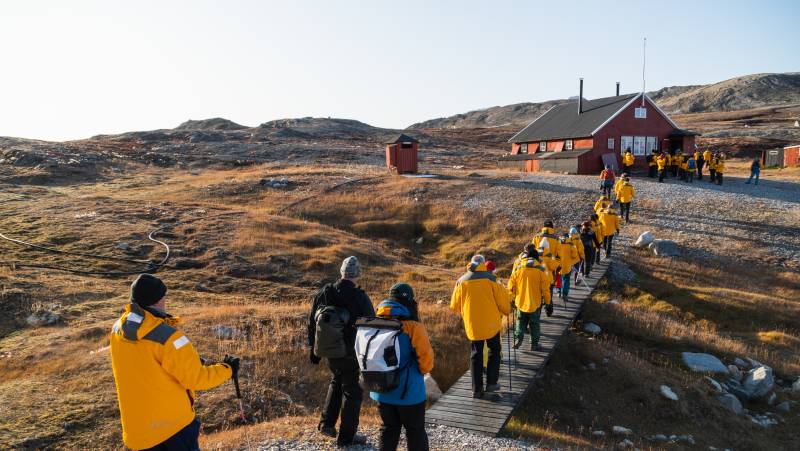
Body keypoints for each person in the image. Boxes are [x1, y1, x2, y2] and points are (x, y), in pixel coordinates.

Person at [110, 274, 238, 451]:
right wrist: (227, 369)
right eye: (164, 296)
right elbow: (197, 379)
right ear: (158, 300)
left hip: (138, 434)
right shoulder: (170, 338)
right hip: (172, 431)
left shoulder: (119, 329)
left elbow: (144, 361)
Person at [308, 256, 375, 447]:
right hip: (351, 352)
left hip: (329, 351)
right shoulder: (360, 297)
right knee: (352, 392)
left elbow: (312, 321)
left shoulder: (325, 292)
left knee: (337, 380)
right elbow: (371, 324)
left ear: (342, 272)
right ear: (358, 274)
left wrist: (313, 349)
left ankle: (326, 424)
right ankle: (347, 437)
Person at [370, 283, 434, 451]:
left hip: (381, 390)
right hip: (409, 393)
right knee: (415, 431)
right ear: (410, 302)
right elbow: (426, 364)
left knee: (388, 429)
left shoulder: (375, 322)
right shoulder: (414, 327)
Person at [450, 255, 511, 398]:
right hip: (491, 324)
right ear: (483, 264)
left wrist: (467, 311)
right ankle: (491, 383)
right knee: (494, 350)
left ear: (471, 264)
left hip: (473, 324)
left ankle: (477, 390)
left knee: (476, 354)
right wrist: (507, 311)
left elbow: (454, 306)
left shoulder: (461, 281)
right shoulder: (492, 279)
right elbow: (503, 302)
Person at [507, 248, 551, 351]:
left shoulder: (518, 269)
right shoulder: (540, 270)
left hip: (520, 302)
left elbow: (511, 286)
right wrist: (548, 302)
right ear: (536, 258)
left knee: (520, 321)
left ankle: (518, 338)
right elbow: (545, 289)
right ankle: (534, 344)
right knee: (534, 324)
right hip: (535, 303)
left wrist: (511, 299)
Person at [556, 233, 579, 303]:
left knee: (558, 278)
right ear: (568, 237)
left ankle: (559, 292)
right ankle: (565, 294)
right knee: (566, 279)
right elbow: (575, 255)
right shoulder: (571, 244)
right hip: (567, 265)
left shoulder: (557, 242)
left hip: (558, 265)